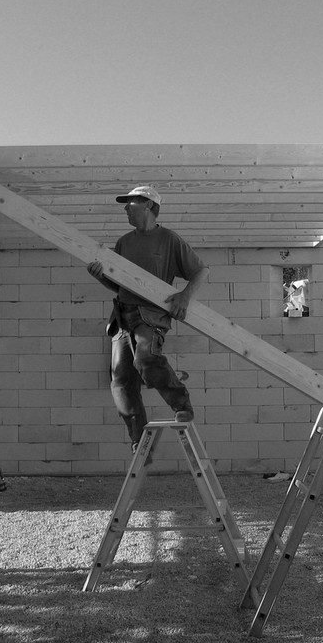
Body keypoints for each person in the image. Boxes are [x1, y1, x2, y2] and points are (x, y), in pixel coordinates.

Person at [87, 185, 209, 454]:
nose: (125, 208)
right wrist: (101, 276)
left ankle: (181, 405)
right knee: (121, 381)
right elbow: (119, 286)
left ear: (149, 206)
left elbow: (200, 271)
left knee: (145, 358)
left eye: (131, 203)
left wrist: (184, 298)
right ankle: (140, 442)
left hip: (150, 315)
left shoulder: (168, 240)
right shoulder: (124, 242)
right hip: (122, 316)